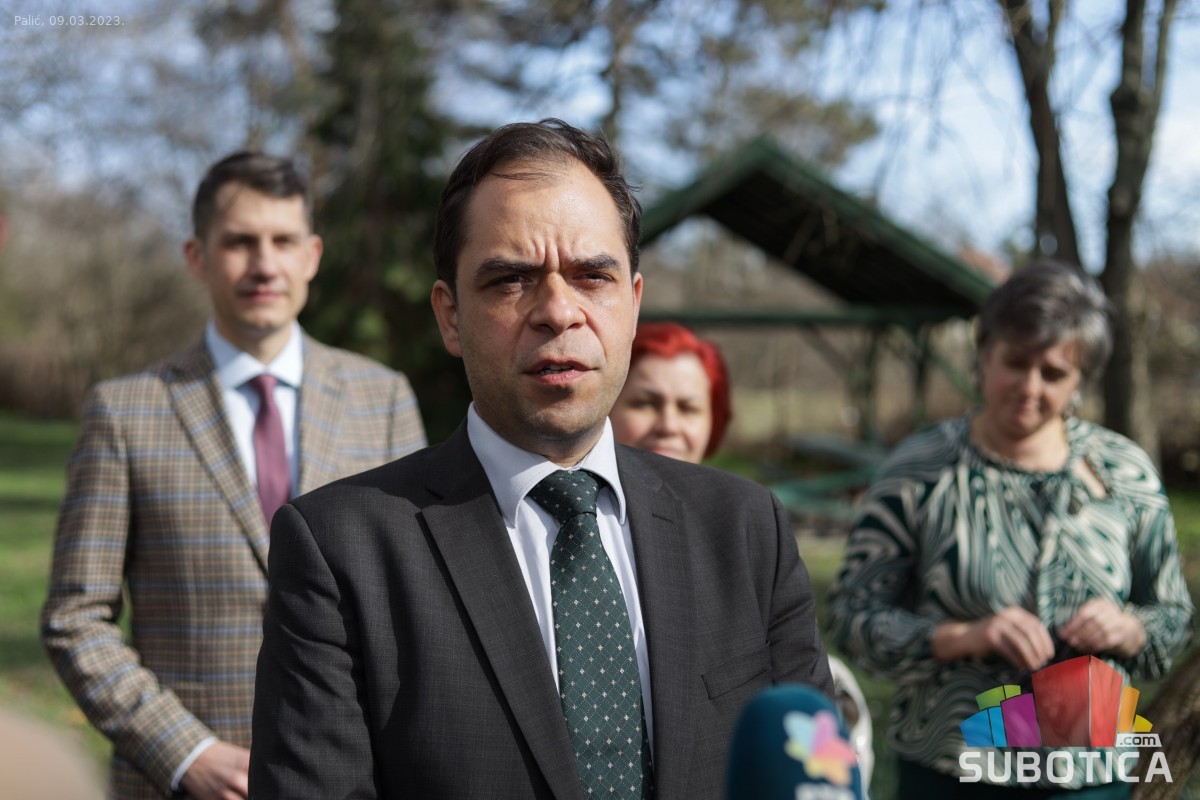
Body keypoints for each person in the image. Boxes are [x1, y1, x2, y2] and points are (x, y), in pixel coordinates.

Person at [249, 119, 834, 800]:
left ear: (633, 305)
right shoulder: (341, 550)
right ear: (449, 316)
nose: (559, 311)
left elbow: (814, 779)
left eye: (592, 276)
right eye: (511, 279)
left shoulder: (746, 529)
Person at [41, 151, 427, 800]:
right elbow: (75, 617)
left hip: (356, 780)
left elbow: (417, 606)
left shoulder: (382, 399)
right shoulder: (125, 412)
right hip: (184, 784)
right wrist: (184, 752)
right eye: (240, 242)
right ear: (197, 256)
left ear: (312, 255)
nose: (264, 264)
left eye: (284, 241)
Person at [828, 261, 1193, 797]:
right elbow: (852, 618)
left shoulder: (1123, 472)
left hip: (1089, 775)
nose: (1029, 386)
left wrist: (1130, 629)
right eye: (1015, 363)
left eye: (1054, 373)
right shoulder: (921, 469)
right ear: (983, 357)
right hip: (952, 769)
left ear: (1081, 381)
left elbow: (1175, 619)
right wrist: (961, 637)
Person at [610, 320, 874, 788]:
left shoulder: (752, 529)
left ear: (714, 421)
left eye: (688, 407)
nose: (668, 424)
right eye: (645, 403)